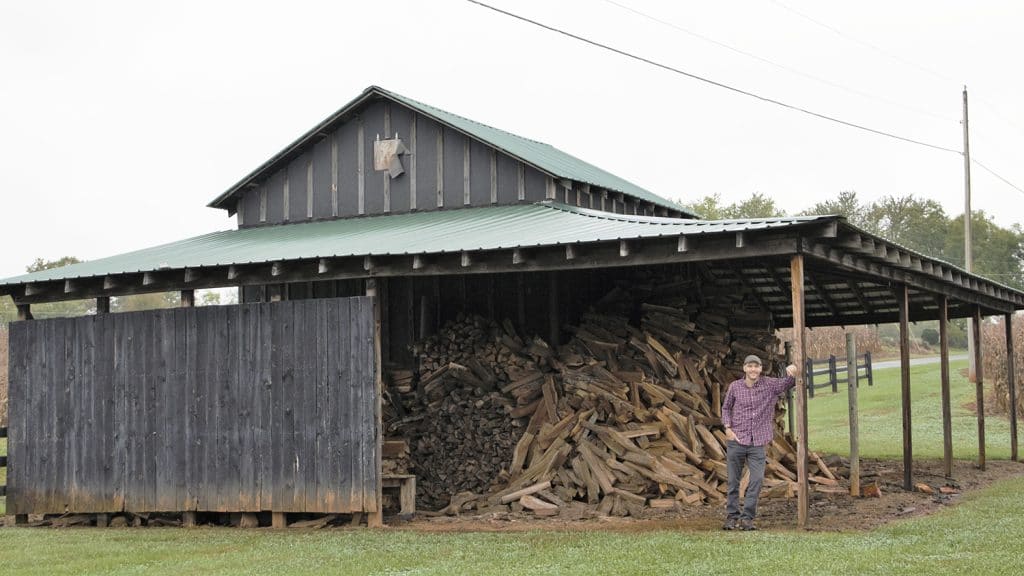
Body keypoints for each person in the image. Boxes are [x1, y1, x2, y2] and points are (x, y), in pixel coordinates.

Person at [720, 354, 798, 531]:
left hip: (758, 443)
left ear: (761, 369)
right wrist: (728, 429)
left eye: (757, 366)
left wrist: (792, 373)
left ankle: (747, 518)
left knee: (756, 480)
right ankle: (732, 517)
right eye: (750, 366)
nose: (753, 369)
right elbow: (726, 408)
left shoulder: (769, 385)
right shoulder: (735, 387)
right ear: (745, 369)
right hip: (737, 440)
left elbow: (787, 383)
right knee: (733, 481)